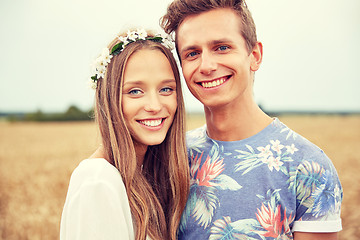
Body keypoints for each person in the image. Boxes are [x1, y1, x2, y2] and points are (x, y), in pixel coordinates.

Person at [161, 0, 343, 239]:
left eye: (222, 47)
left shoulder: (309, 167)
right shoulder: (170, 157)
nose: (206, 65)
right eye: (192, 53)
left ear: (255, 55)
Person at [60, 29, 189, 240]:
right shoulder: (98, 183)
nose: (155, 106)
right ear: (109, 99)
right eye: (135, 91)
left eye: (166, 89)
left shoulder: (144, 177)